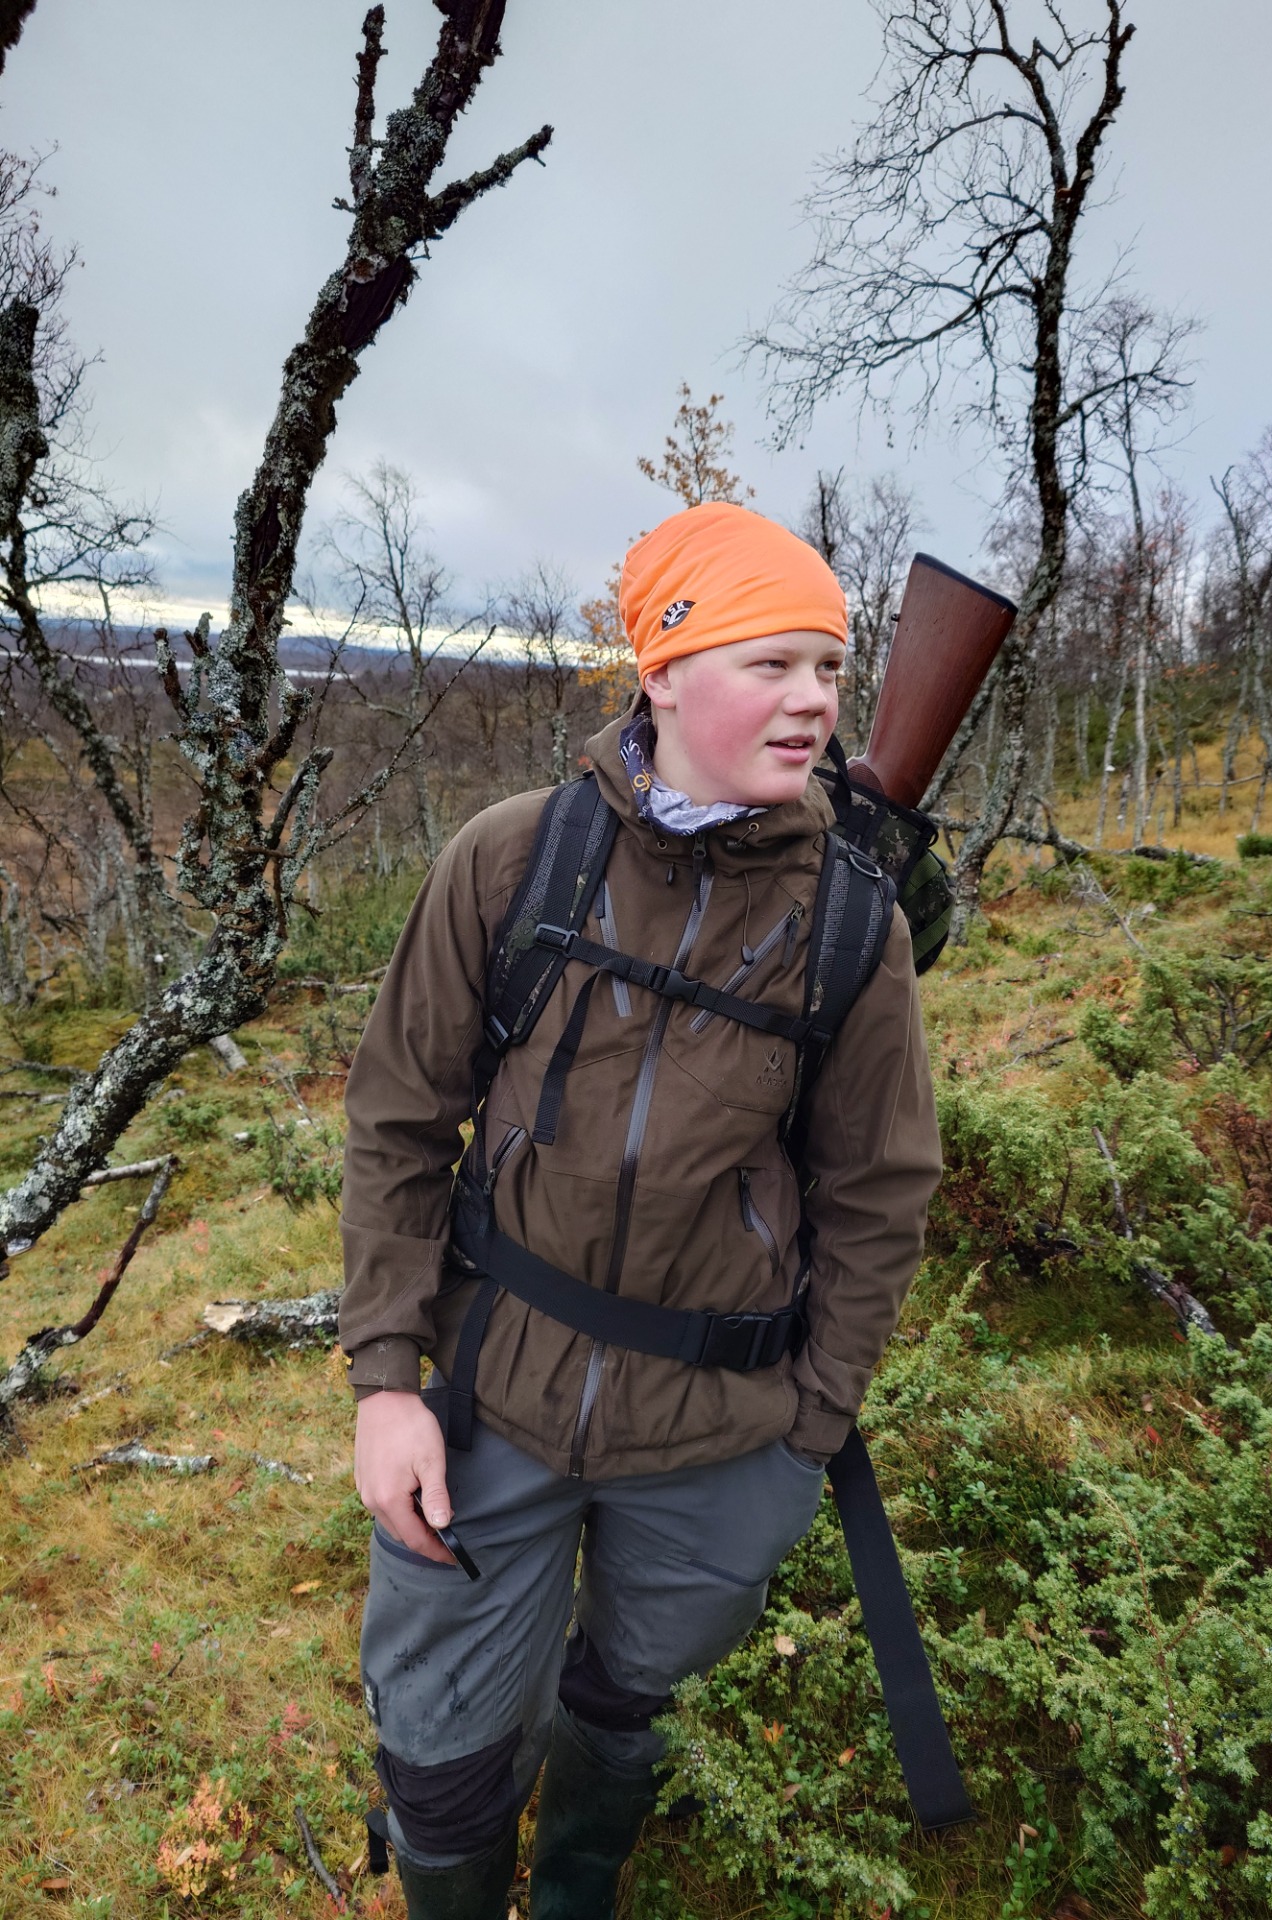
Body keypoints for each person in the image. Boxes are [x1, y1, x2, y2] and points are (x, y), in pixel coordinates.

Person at [339, 501, 943, 1919]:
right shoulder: (512, 860)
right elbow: (400, 1120)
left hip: (723, 1430)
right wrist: (386, 1380)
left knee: (622, 1701)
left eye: (830, 667)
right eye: (769, 662)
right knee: (440, 1760)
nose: (814, 699)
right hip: (495, 1394)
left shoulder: (854, 925)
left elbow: (879, 1193)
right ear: (661, 673)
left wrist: (810, 1429)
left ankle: (578, 1890)